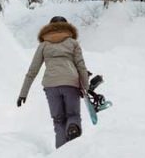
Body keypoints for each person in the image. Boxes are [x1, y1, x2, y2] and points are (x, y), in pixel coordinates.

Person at [17, 16, 90, 149]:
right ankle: (73, 129)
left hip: (51, 86)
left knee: (58, 120)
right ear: (67, 27)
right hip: (70, 83)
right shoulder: (73, 43)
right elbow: (81, 66)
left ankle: (60, 155)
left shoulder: (43, 45)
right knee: (73, 115)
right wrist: (86, 87)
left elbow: (32, 71)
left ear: (49, 28)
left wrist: (23, 93)